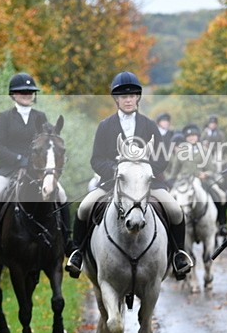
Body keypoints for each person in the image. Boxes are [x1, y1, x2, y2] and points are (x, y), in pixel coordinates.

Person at [65, 72, 193, 279]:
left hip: (147, 184)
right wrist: (116, 170)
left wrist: (144, 170)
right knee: (85, 207)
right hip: (112, 183)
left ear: (138, 98)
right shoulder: (105, 125)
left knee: (175, 210)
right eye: (123, 97)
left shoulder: (150, 125)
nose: (128, 100)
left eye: (132, 96)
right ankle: (77, 254)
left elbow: (163, 159)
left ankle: (179, 255)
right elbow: (96, 159)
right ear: (116, 99)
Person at [0, 73, 71, 258]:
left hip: (36, 169)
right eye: (22, 92)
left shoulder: (40, 116)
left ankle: (68, 240)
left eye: (30, 92)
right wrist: (19, 159)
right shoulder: (4, 117)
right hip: (9, 167)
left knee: (61, 194)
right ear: (13, 94)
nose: (27, 94)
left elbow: (48, 141)